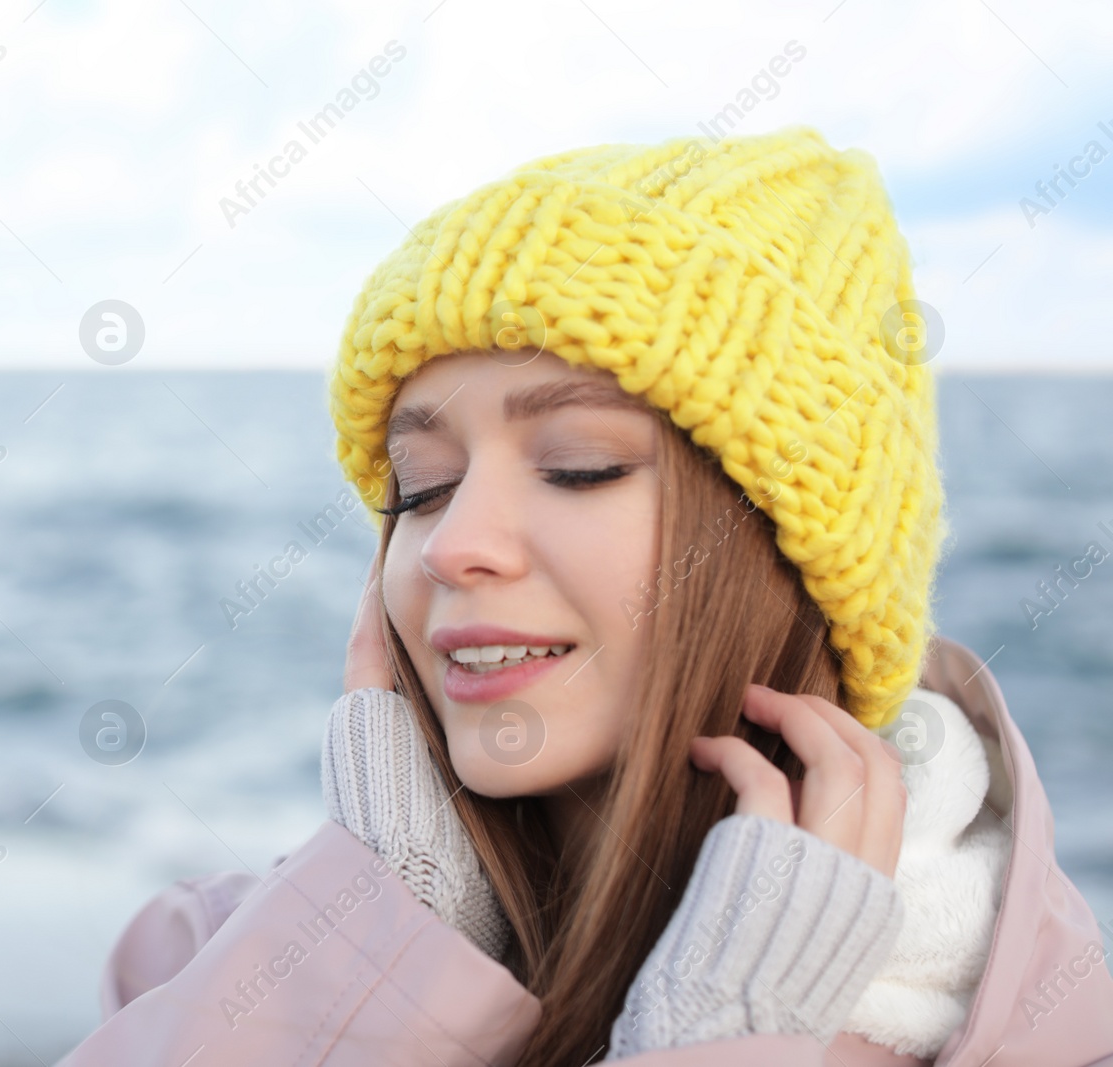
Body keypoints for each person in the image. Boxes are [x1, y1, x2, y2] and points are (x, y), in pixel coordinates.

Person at [58, 127, 1113, 1065]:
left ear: (793, 558)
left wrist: (729, 1028)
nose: (449, 543)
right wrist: (381, 942)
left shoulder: (1045, 1025)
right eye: (420, 486)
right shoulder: (208, 964)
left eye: (577, 465)